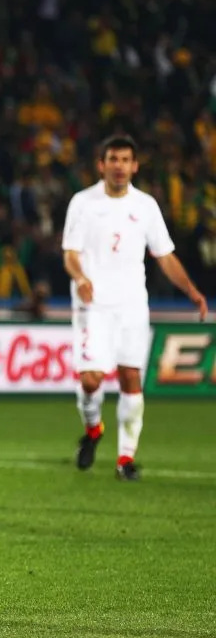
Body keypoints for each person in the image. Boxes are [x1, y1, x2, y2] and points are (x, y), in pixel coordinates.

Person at [62, 135, 208, 480]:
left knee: (131, 378)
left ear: (135, 166)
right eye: (113, 158)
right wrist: (81, 278)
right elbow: (70, 253)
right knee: (90, 379)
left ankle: (126, 459)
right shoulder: (83, 203)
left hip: (131, 306)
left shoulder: (145, 206)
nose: (119, 165)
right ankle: (93, 428)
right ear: (101, 165)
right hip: (93, 304)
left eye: (126, 159)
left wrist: (191, 290)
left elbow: (164, 255)